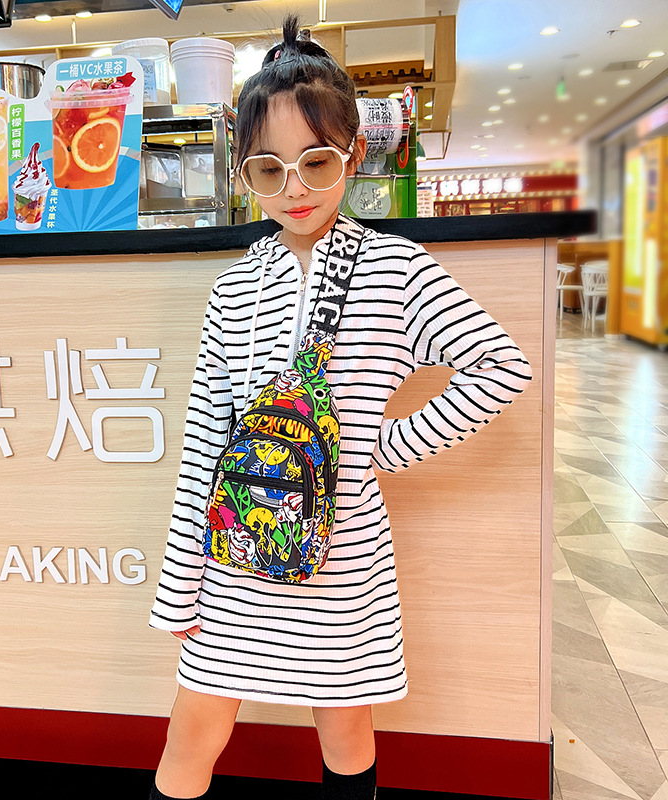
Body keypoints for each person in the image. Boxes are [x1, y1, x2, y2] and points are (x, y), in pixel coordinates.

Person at [148, 15, 533, 800]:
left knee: (347, 734)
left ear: (353, 156)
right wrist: (179, 582)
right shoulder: (233, 289)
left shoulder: (397, 270)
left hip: (345, 566)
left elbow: (500, 367)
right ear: (243, 174)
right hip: (234, 563)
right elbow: (203, 446)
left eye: (316, 162)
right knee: (190, 735)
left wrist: (383, 447)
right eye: (268, 169)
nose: (294, 188)